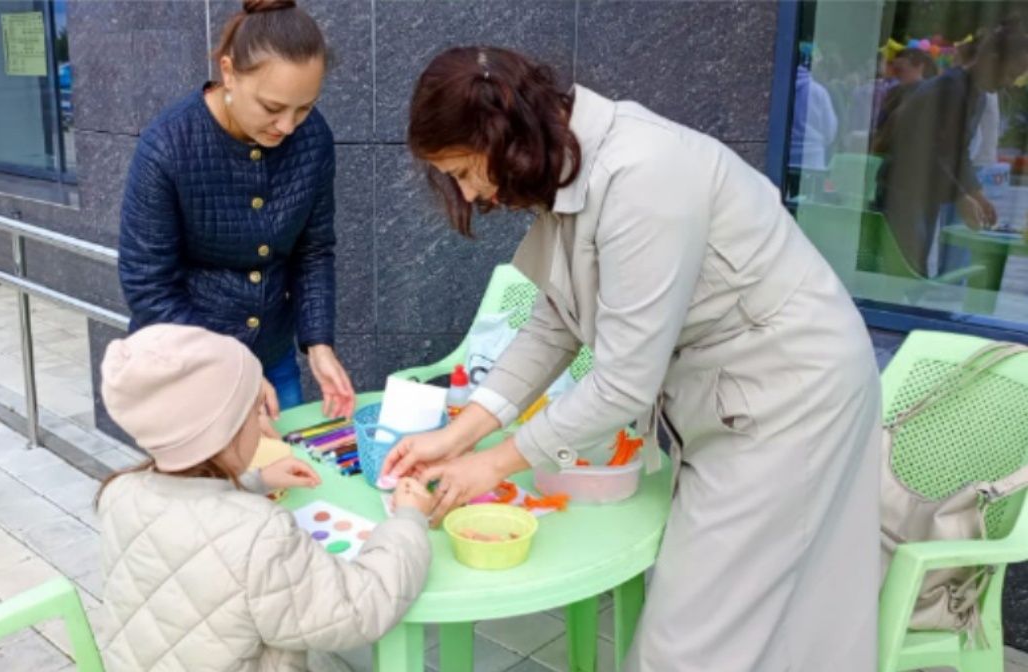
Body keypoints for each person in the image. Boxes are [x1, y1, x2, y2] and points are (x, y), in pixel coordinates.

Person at [384, 46, 882, 671]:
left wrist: (493, 465)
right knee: (756, 617)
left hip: (793, 397)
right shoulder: (569, 165)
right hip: (740, 397)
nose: (468, 192)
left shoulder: (642, 176)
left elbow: (622, 381)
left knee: (694, 638)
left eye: (462, 171)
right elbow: (555, 322)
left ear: (497, 139)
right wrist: (460, 435)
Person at [95, 324, 433, 671]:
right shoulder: (259, 533)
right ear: (225, 431)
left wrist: (253, 480)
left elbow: (195, 531)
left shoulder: (119, 494)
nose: (267, 422)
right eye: (257, 410)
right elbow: (359, 608)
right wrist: (408, 519)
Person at [117, 0, 354, 419]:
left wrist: (319, 344)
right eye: (272, 107)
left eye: (305, 108)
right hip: (185, 366)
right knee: (203, 484)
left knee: (285, 477)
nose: (288, 127)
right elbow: (148, 285)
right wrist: (229, 367)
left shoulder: (313, 139)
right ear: (228, 72)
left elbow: (314, 250)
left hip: (274, 356)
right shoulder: (168, 146)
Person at [878, 20, 1028, 275]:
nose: (1010, 83)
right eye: (1010, 74)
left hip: (920, 193)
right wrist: (961, 197)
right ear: (990, 59)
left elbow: (958, 151)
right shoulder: (952, 87)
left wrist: (976, 193)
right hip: (903, 190)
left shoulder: (975, 92)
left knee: (913, 268)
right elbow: (931, 151)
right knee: (905, 272)